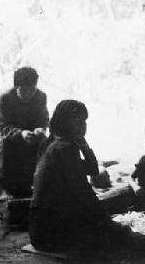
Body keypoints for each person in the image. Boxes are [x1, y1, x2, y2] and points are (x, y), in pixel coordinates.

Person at [29, 100, 129, 252]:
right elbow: (83, 191)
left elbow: (92, 170)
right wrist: (108, 223)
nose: (83, 125)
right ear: (64, 122)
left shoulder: (56, 143)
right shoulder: (64, 148)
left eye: (84, 120)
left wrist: (84, 145)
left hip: (40, 230)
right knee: (116, 238)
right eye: (77, 120)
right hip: (50, 233)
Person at [0, 67, 49, 200]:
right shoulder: (5, 98)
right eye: (24, 90)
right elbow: (0, 126)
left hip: (31, 135)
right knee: (3, 142)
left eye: (32, 89)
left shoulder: (41, 96)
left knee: (46, 142)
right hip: (9, 134)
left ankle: (39, 183)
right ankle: (3, 189)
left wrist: (40, 129)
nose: (29, 93)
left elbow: (44, 119)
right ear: (17, 86)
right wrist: (20, 133)